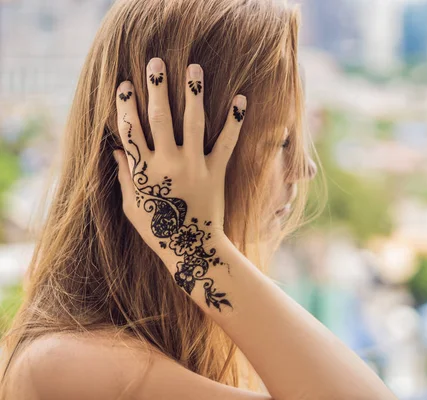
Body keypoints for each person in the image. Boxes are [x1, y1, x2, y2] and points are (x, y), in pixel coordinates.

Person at [0, 0, 397, 399]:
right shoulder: (68, 367)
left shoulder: (124, 351)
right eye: (280, 141)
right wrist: (197, 248)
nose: (304, 168)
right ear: (172, 147)